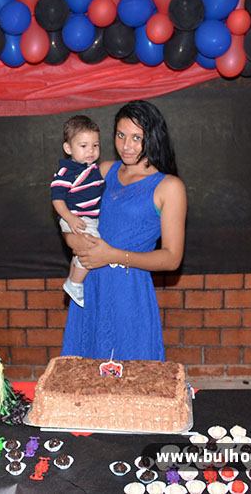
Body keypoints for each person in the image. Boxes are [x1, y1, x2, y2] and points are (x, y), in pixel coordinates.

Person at [60, 100, 187, 361]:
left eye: (137, 138)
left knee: (132, 372)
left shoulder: (169, 187)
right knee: (83, 371)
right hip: (90, 284)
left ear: (153, 137)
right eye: (121, 135)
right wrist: (73, 240)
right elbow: (70, 215)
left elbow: (172, 258)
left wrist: (112, 255)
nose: (127, 145)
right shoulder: (103, 171)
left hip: (128, 291)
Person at [50, 115, 106, 308]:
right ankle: (75, 283)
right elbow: (57, 199)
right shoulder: (66, 172)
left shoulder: (92, 169)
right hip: (76, 216)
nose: (91, 150)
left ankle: (73, 279)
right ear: (68, 148)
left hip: (88, 217)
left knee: (82, 251)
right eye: (83, 146)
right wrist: (70, 218)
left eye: (95, 145)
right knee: (92, 246)